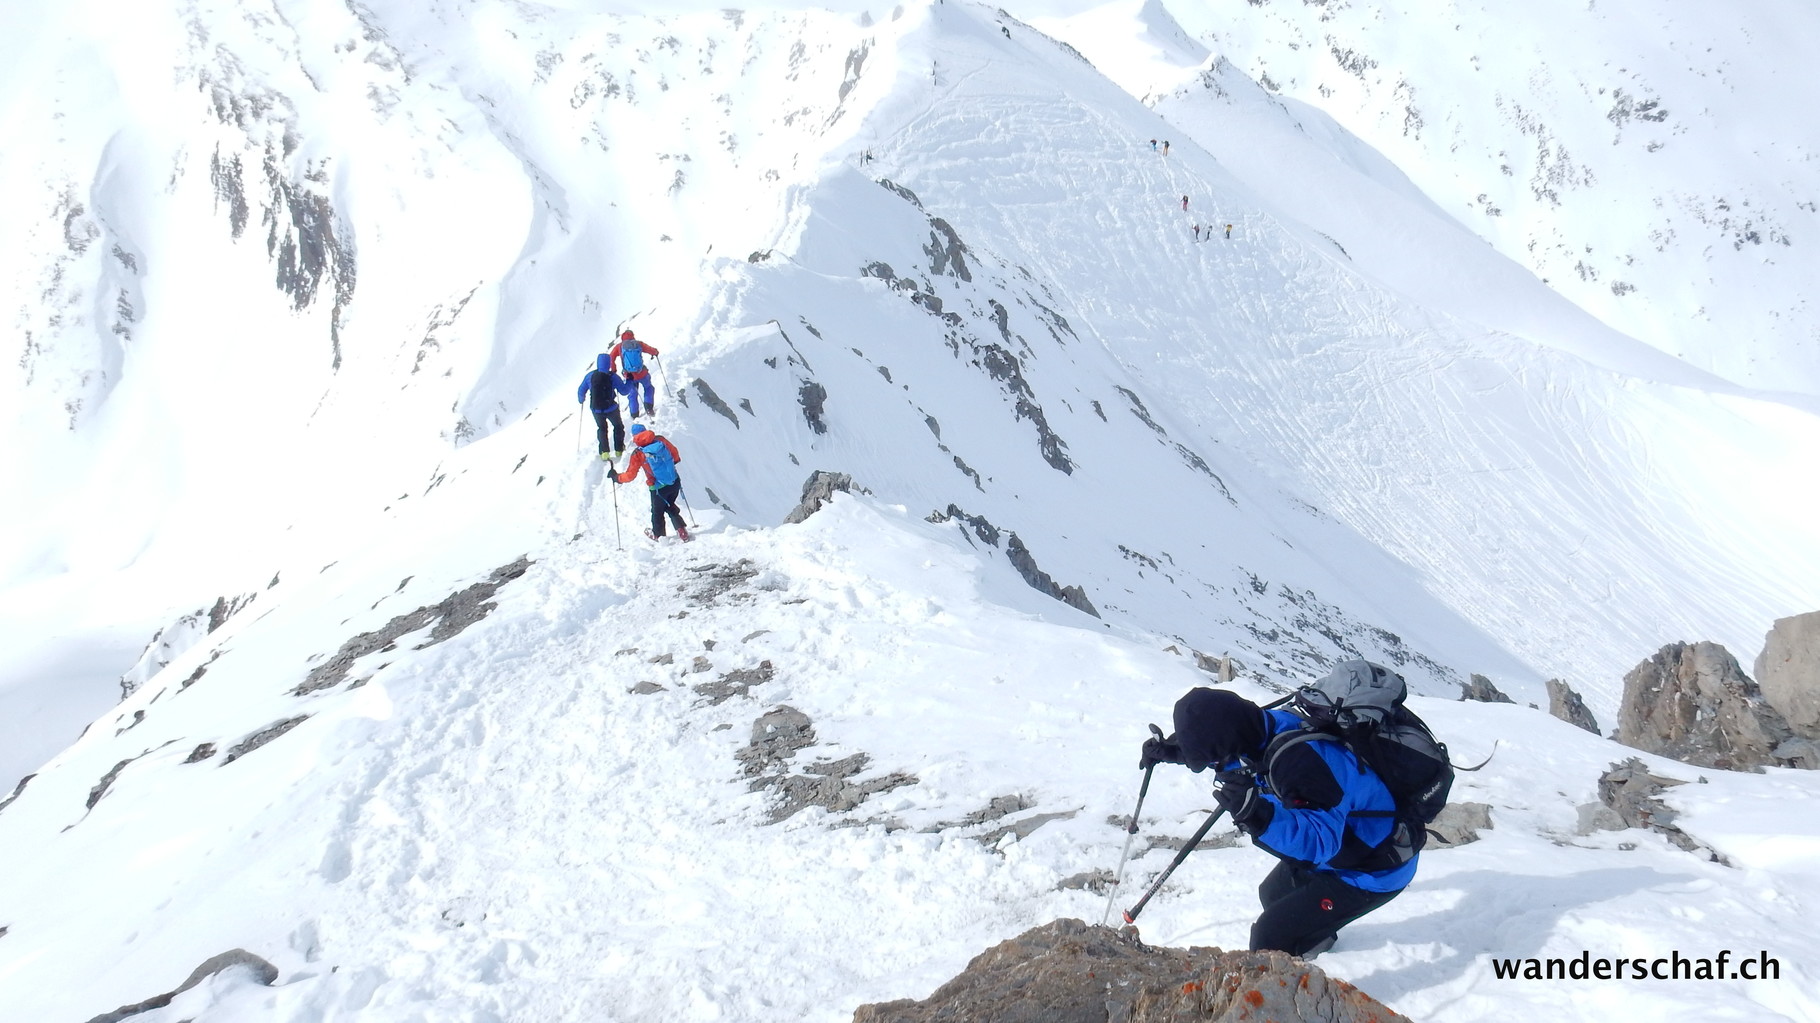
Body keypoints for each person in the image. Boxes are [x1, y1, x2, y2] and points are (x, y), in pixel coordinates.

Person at [1138, 688, 1416, 958]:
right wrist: (1178, 751)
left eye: (1213, 760)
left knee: (1269, 938)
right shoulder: (1265, 726)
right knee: (1271, 893)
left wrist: (1257, 815)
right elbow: (1235, 751)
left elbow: (1320, 844)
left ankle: (1284, 994)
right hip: (1350, 844)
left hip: (1375, 866)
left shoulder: (1300, 763)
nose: (1216, 766)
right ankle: (1316, 939)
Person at [613, 424, 689, 542]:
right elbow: (675, 454)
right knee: (670, 504)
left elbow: (630, 475)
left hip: (658, 488)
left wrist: (617, 478)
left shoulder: (638, 453)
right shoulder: (661, 440)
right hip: (674, 481)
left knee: (657, 512)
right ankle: (681, 530)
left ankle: (659, 535)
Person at [576, 354, 629, 459]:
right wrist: (630, 381)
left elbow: (581, 389)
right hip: (611, 408)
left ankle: (604, 453)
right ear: (609, 363)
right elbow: (624, 391)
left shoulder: (590, 376)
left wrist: (581, 399)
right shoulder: (612, 377)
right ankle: (619, 450)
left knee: (602, 428)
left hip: (596, 409)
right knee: (618, 426)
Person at [610, 329, 662, 417]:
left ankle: (634, 415)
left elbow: (611, 357)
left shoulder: (619, 347)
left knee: (632, 394)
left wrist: (613, 370)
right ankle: (649, 408)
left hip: (629, 375)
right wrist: (655, 352)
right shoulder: (638, 344)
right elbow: (650, 350)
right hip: (642, 373)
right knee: (649, 387)